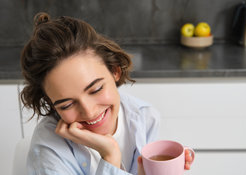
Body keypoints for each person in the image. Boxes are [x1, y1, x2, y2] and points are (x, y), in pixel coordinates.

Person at [20, 12, 193, 175]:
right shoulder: (48, 149)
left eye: (95, 90)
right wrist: (110, 155)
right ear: (52, 103)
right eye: (66, 104)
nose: (89, 111)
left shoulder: (144, 117)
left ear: (114, 71)